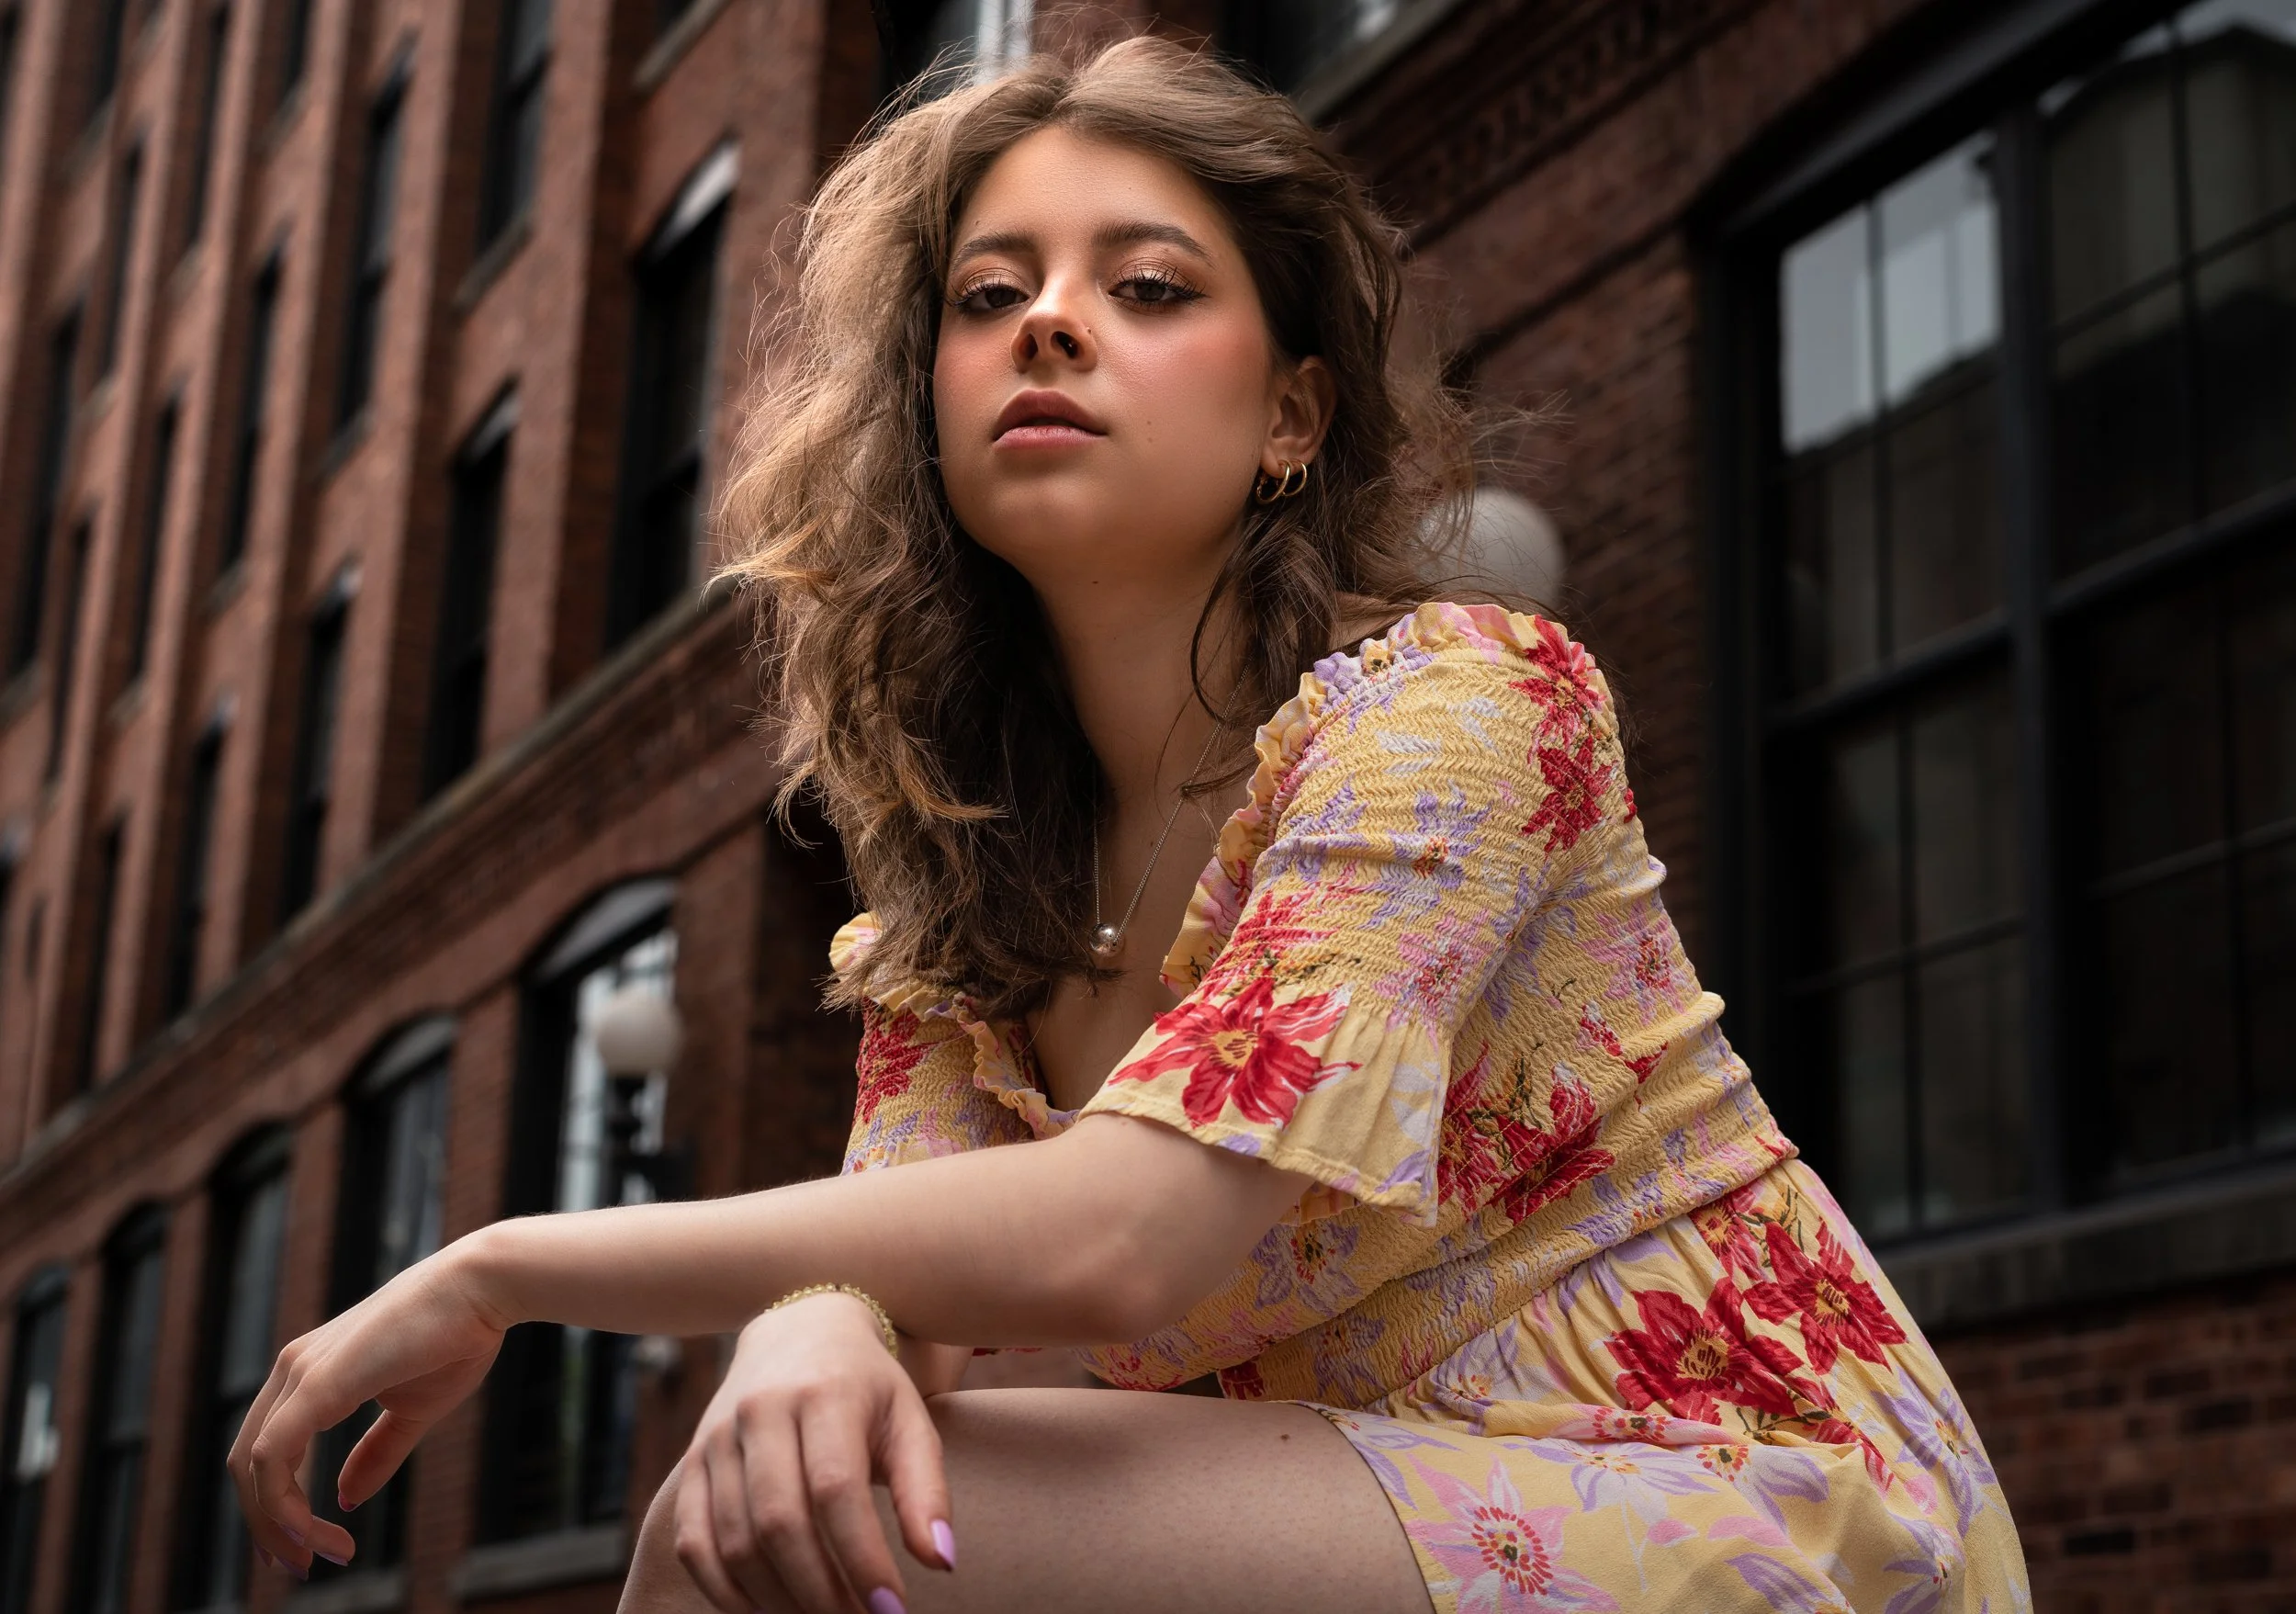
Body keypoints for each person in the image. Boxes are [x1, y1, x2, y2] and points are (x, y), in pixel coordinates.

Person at [228, 37, 2029, 1614]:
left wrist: (501, 1265)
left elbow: (1127, 1238)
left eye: (1150, 287)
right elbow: (899, 1252)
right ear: (931, 413)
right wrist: (810, 1320)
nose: (1048, 322)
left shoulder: (1463, 705)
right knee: (776, 1490)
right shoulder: (958, 890)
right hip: (1367, 1488)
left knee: (802, 1541)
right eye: (985, 295)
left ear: (1290, 414)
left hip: (1743, 1489)